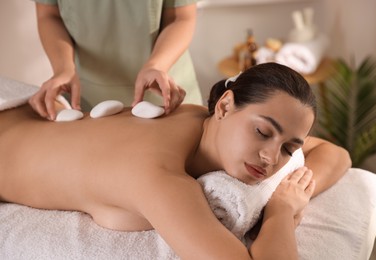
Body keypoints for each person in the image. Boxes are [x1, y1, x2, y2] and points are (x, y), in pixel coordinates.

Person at [0, 63, 351, 259]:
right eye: (262, 132)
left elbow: (336, 155)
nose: (272, 159)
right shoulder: (157, 175)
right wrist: (281, 211)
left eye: (289, 149)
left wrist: (284, 195)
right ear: (225, 106)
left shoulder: (203, 123)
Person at [29, 0, 202, 121]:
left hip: (163, 90)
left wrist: (156, 65)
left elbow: (181, 17)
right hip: (85, 98)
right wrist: (63, 69)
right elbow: (49, 15)